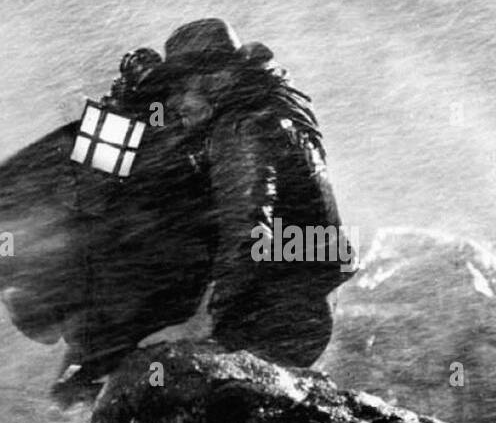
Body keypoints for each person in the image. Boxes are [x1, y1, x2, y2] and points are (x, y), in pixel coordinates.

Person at [145, 18, 355, 366]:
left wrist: (204, 322)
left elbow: (247, 229)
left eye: (181, 90)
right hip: (297, 307)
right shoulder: (270, 111)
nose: (175, 104)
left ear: (213, 80)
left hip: (275, 318)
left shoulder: (243, 127)